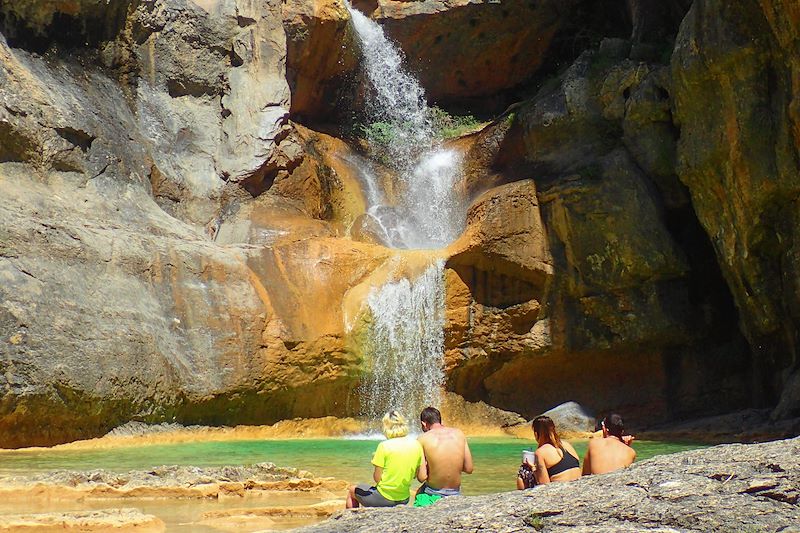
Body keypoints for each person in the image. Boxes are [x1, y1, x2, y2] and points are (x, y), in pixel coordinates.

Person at [346, 411, 424, 508]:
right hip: (404, 498)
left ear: (386, 426)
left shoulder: (384, 446)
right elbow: (420, 475)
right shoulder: (416, 445)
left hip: (384, 498)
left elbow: (377, 478)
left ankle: (351, 521)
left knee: (352, 491)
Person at [415, 406, 473, 504]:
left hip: (433, 493)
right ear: (440, 421)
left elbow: (422, 477)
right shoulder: (459, 433)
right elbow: (469, 469)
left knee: (418, 493)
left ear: (424, 424)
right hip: (455, 493)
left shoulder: (422, 439)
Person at [517, 415, 581, 488]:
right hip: (578, 486)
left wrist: (532, 467)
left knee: (523, 471)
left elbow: (544, 484)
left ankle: (522, 496)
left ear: (536, 434)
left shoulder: (540, 452)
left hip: (561, 490)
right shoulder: (567, 445)